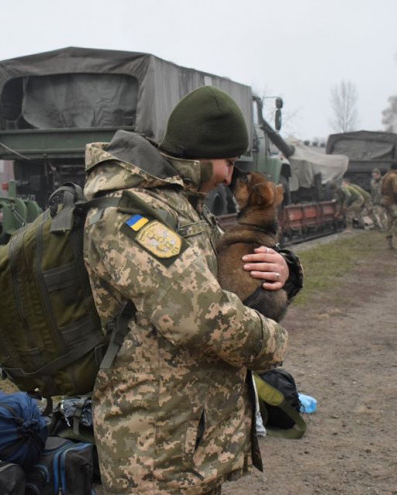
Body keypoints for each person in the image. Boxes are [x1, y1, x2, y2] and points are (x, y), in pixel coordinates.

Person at [81, 86, 303, 494]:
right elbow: (200, 318)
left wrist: (285, 269)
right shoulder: (132, 213)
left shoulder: (183, 205)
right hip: (152, 451)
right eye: (228, 162)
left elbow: (225, 276)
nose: (228, 175)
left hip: (188, 439)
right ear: (201, 152)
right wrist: (274, 342)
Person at [381, 162, 397, 249]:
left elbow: (381, 190)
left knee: (389, 221)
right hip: (393, 202)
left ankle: (389, 244)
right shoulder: (395, 177)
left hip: (386, 201)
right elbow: (396, 190)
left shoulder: (385, 176)